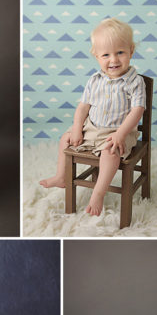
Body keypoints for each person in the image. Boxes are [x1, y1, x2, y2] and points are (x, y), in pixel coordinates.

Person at [39, 18, 146, 216]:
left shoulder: (135, 82)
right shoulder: (95, 80)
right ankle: (61, 177)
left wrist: (120, 134)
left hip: (118, 132)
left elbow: (137, 110)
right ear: (96, 56)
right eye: (106, 54)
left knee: (110, 153)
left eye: (120, 52)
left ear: (131, 50)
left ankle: (98, 193)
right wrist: (77, 128)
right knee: (65, 139)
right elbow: (82, 108)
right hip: (92, 128)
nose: (113, 60)